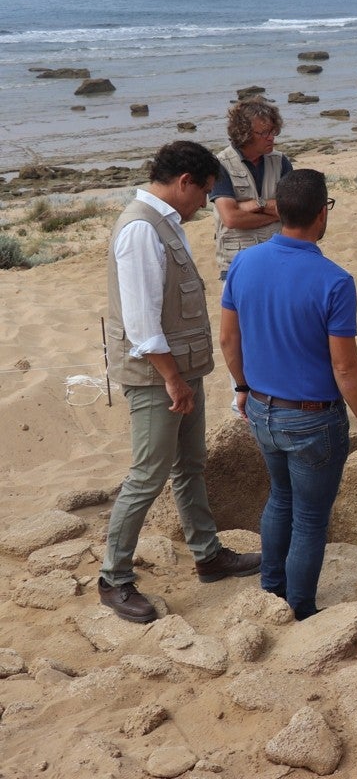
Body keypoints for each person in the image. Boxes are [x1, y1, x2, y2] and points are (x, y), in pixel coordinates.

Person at [101, 141, 261, 624]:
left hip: (179, 370)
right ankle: (114, 578)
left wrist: (181, 375)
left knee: (190, 464)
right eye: (205, 192)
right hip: (157, 376)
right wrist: (172, 379)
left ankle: (208, 555)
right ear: (184, 182)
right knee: (148, 474)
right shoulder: (140, 230)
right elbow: (142, 322)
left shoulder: (165, 223)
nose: (205, 204)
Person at [220, 169, 357, 620]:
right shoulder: (333, 280)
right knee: (310, 518)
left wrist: (242, 388)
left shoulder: (244, 263)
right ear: (320, 214)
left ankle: (272, 591)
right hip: (312, 417)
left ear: (278, 210)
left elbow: (229, 340)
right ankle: (301, 606)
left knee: (279, 499)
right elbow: (344, 365)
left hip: (261, 407)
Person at [210, 96, 293, 280]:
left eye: (273, 131)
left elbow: (290, 211)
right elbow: (231, 218)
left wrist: (258, 205)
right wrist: (274, 211)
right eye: (264, 133)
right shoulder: (221, 164)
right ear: (244, 133)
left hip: (276, 259)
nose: (271, 137)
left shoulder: (280, 161)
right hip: (237, 263)